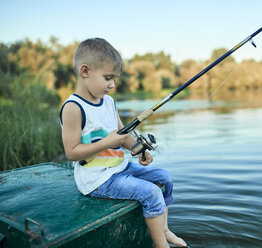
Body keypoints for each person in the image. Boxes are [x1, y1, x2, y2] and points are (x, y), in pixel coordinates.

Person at [60, 38, 187, 248]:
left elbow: (123, 136)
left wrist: (139, 150)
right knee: (152, 192)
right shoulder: (73, 108)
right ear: (85, 71)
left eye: (115, 78)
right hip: (97, 180)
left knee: (165, 179)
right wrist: (107, 142)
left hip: (120, 168)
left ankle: (164, 230)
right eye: (108, 78)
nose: (113, 84)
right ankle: (160, 245)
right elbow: (72, 153)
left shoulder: (109, 102)